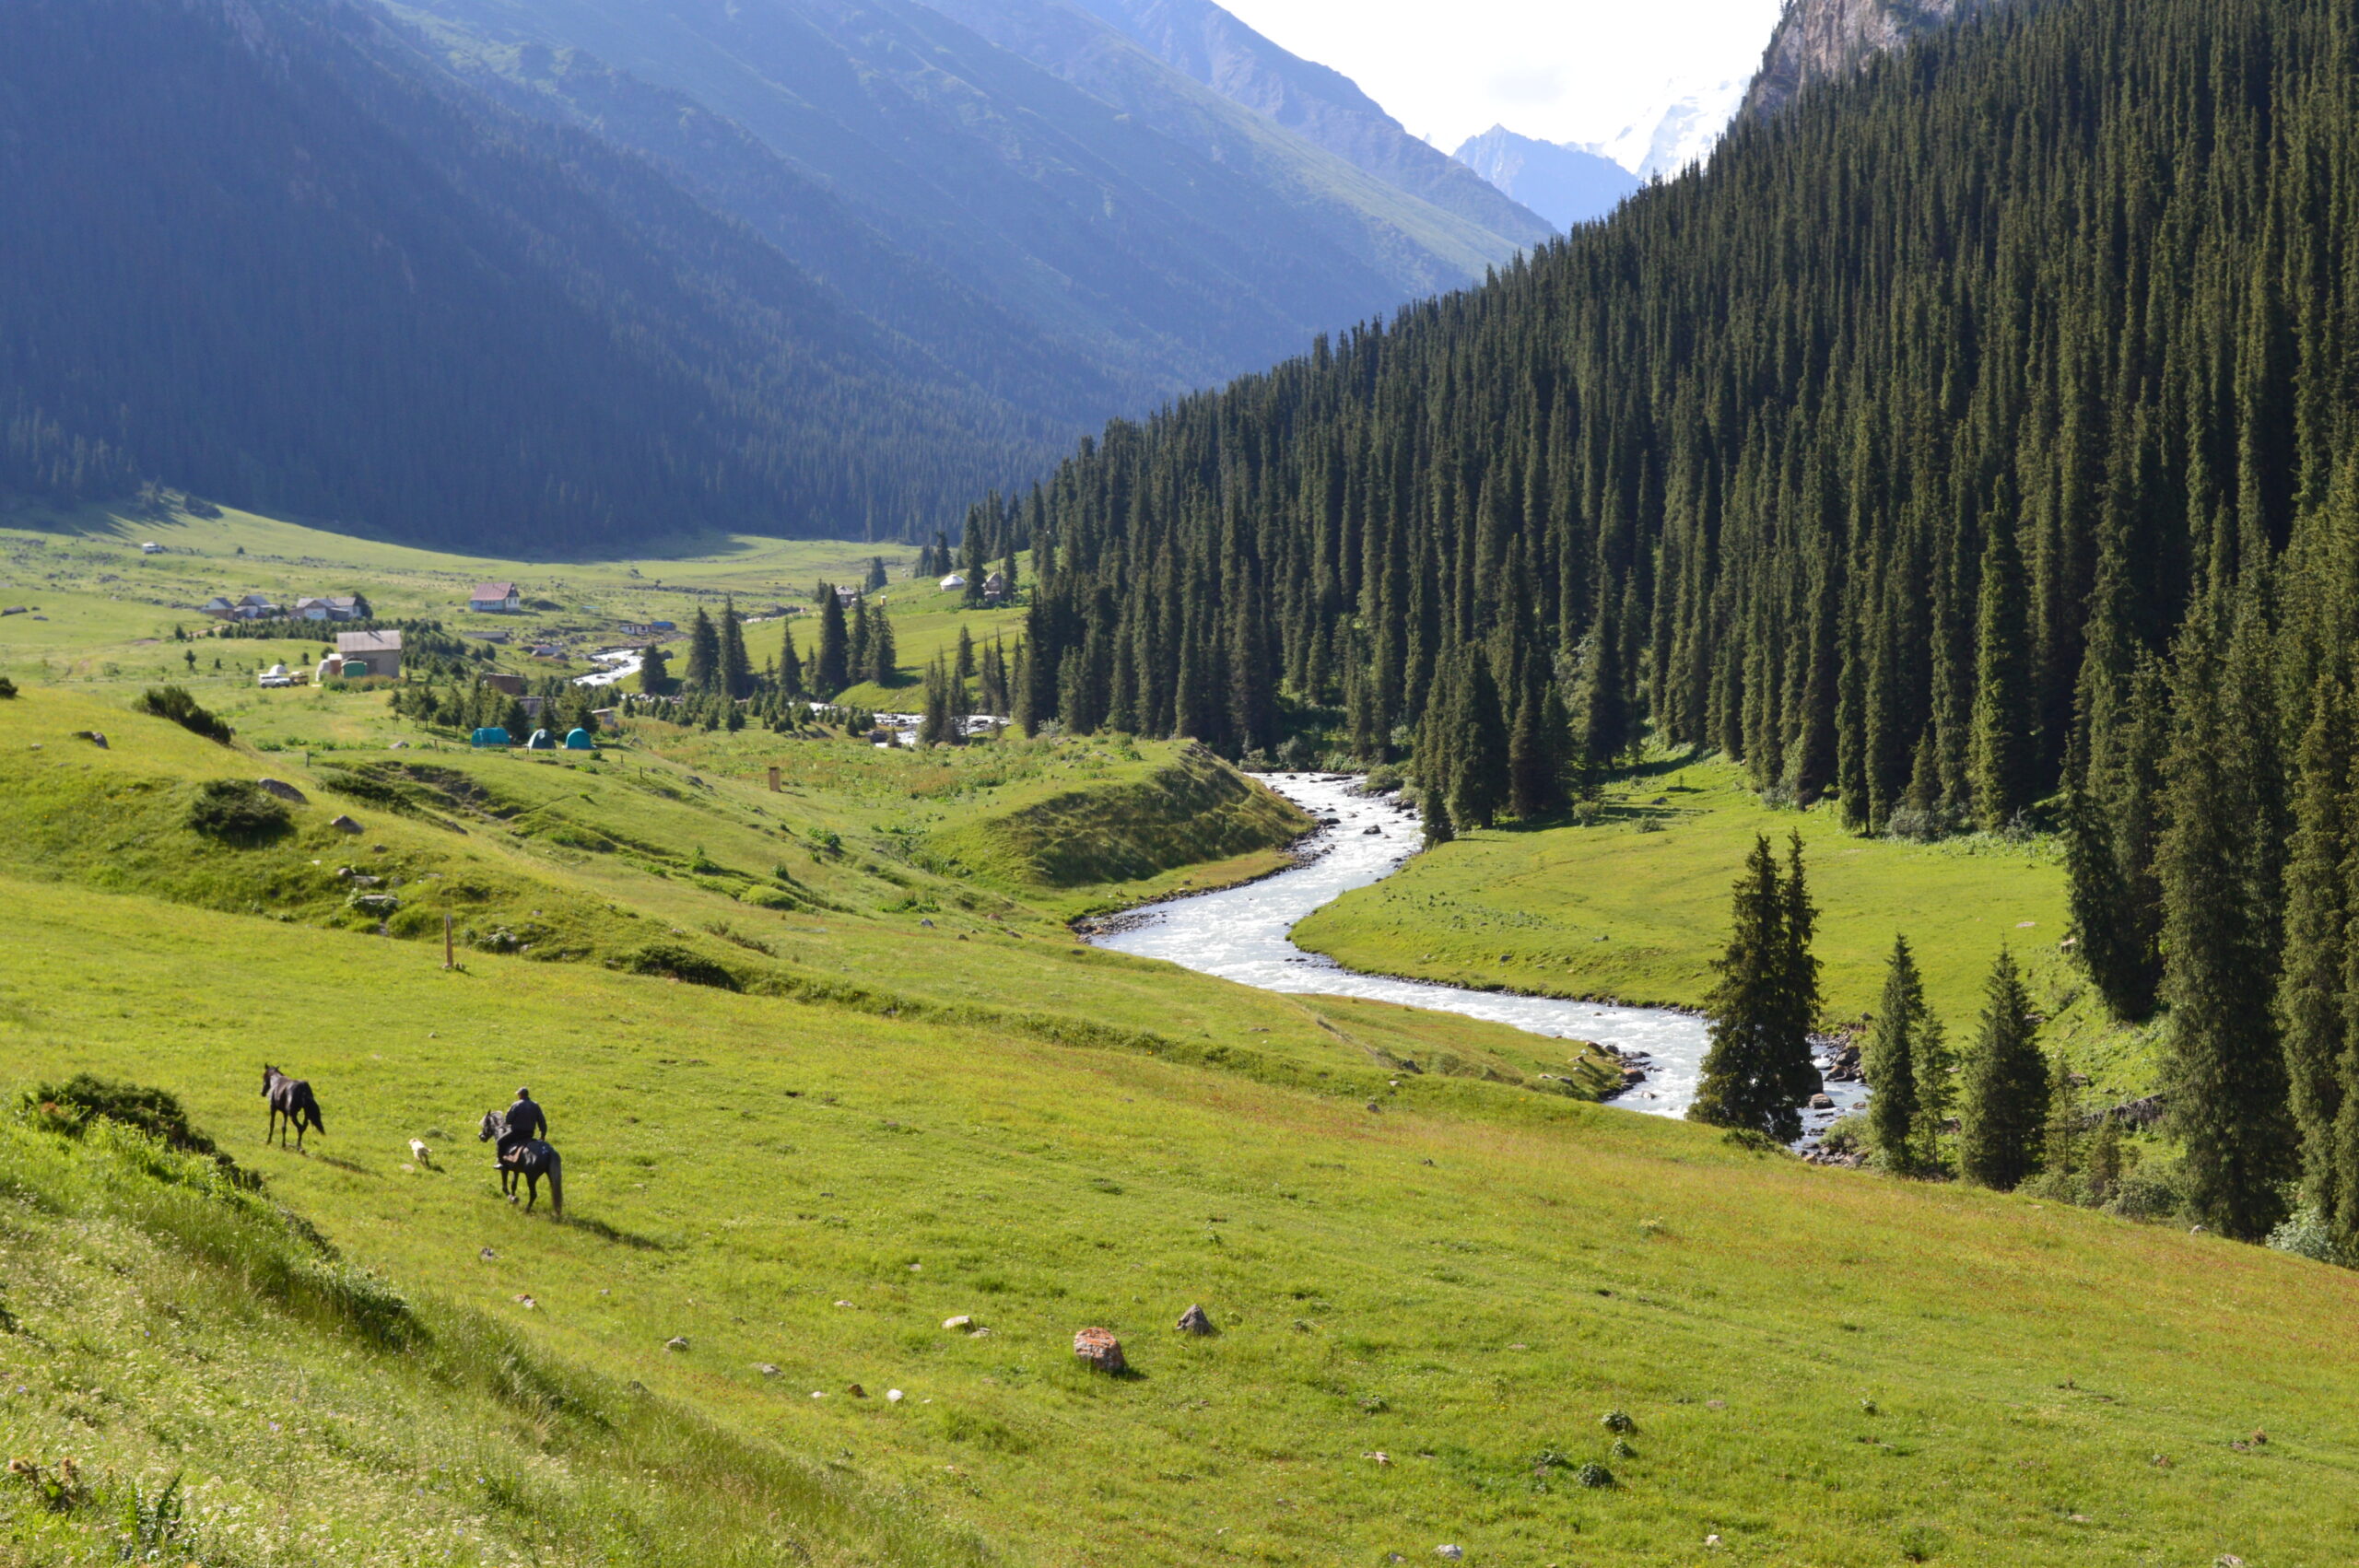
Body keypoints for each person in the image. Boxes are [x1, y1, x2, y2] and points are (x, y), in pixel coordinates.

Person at [499, 1086, 547, 1166]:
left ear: (520, 1095)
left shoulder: (516, 1105)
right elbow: (542, 1121)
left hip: (516, 1134)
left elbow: (508, 1121)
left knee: (500, 1142)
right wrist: (543, 1134)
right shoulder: (535, 1105)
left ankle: (502, 1164)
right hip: (529, 1134)